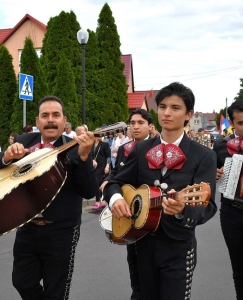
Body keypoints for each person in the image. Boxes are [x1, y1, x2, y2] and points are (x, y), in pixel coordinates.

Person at [103, 82, 217, 300]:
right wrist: (116, 199)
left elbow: (208, 207)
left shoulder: (204, 155)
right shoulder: (142, 148)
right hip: (141, 242)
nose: (166, 112)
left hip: (178, 247)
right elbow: (114, 182)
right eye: (163, 106)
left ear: (188, 114)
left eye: (175, 108)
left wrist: (183, 209)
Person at [0, 95, 98, 299]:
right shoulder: (23, 141)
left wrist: (84, 158)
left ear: (64, 121)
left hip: (62, 229)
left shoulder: (77, 147)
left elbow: (89, 191)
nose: (50, 120)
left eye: (56, 115)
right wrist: (7, 156)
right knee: (22, 281)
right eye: (45, 115)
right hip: (27, 226)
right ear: (37, 121)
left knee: (56, 291)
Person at [100, 108, 153, 300]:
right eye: (132, 123)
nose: (136, 127)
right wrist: (109, 180)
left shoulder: (156, 148)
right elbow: (118, 174)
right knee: (134, 259)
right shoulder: (125, 148)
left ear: (150, 126)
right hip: (128, 210)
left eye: (141, 123)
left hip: (150, 210)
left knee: (151, 267)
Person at [214, 99, 243, 299]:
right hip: (232, 212)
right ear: (232, 123)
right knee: (239, 268)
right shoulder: (221, 146)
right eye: (241, 122)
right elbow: (207, 177)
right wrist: (213, 174)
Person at [91, 134, 111, 210]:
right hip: (93, 166)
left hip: (102, 166)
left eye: (101, 135)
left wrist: (107, 166)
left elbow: (108, 156)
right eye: (98, 134)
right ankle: (104, 200)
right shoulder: (91, 144)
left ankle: (97, 201)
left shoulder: (104, 144)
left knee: (96, 181)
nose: (100, 136)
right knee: (100, 183)